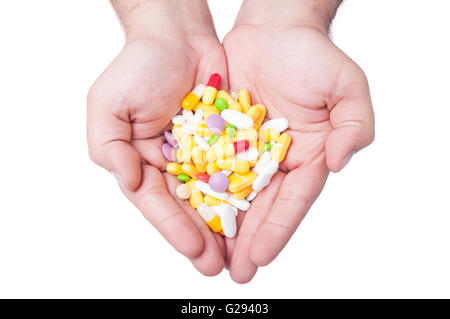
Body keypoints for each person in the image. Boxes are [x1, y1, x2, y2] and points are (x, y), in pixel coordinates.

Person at [87, 0, 374, 284]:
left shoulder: (236, 139)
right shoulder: (200, 148)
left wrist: (291, 14)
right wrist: (161, 21)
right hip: (208, 153)